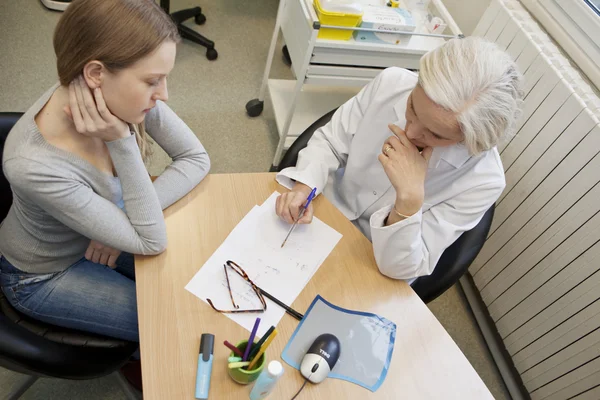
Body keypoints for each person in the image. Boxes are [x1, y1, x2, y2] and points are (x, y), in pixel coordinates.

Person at [0, 0, 210, 343]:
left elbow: (195, 158)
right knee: (173, 325)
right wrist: (121, 141)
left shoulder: (118, 95)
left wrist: (116, 221)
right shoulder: (32, 164)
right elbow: (150, 241)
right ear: (95, 73)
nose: (164, 94)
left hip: (109, 231)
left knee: (193, 281)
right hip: (44, 275)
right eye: (154, 80)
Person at [275, 37, 523, 283]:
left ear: (469, 141)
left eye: (435, 134)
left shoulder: (483, 182)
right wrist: (304, 186)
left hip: (372, 260)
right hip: (323, 212)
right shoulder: (391, 84)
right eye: (413, 107)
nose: (411, 132)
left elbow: (403, 267)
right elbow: (330, 142)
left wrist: (408, 201)